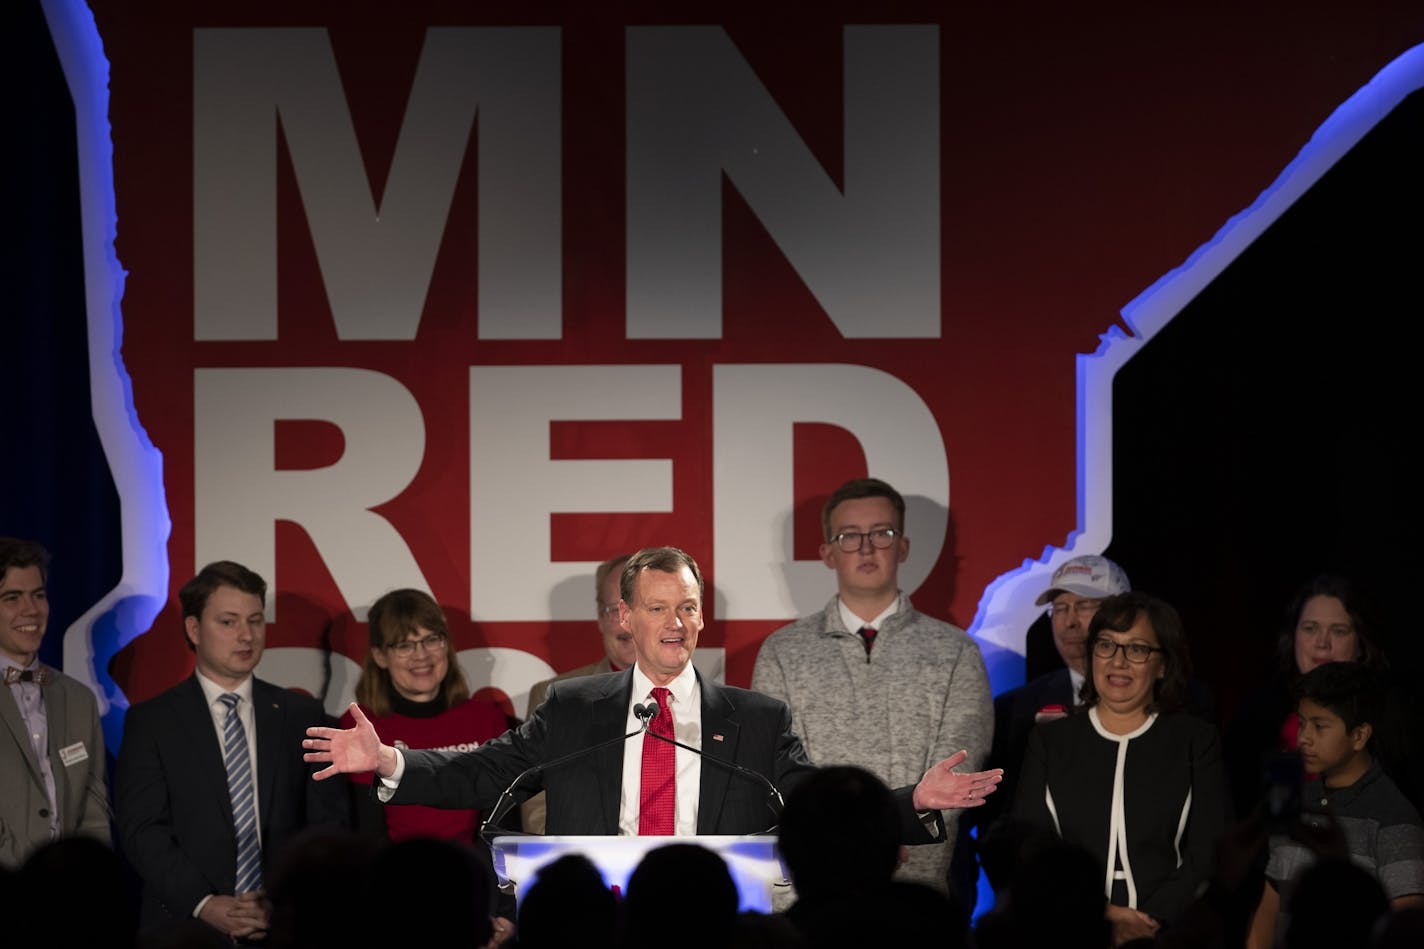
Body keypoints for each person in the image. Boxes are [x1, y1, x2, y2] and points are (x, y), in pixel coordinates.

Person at [304, 546, 1002, 847]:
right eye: (657, 607)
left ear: (701, 619)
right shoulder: (577, 708)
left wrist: (908, 801)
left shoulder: (755, 718)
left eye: (688, 608)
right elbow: (489, 769)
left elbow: (817, 806)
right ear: (625, 619)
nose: (675, 622)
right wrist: (392, 758)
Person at [750, 478, 992, 894]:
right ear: (827, 553)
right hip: (811, 893)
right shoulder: (782, 652)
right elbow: (776, 775)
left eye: (882, 533)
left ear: (903, 547)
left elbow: (957, 773)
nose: (866, 547)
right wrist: (857, 842)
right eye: (849, 536)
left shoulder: (956, 651)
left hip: (916, 893)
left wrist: (898, 831)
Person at [116, 560, 351, 941]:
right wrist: (205, 903)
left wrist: (280, 901)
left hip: (285, 926)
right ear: (194, 629)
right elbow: (143, 830)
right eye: (228, 622)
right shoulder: (152, 722)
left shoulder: (303, 716)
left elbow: (327, 827)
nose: (246, 636)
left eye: (255, 621)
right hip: (185, 929)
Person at [1012, 591, 1229, 947]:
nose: (1118, 661)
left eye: (1137, 649)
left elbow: (1208, 849)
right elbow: (1032, 844)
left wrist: (1148, 922)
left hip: (1167, 933)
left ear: (1162, 664)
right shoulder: (1049, 740)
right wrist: (1100, 912)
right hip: (1071, 929)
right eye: (1107, 645)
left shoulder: (1195, 740)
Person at [1247, 661, 1424, 949]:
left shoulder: (1393, 817)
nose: (1304, 738)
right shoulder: (1295, 802)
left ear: (1359, 736)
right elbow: (1269, 907)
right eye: (1302, 723)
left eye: (1319, 726)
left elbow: (1405, 931)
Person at [1225, 574, 1400, 820]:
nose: (1322, 643)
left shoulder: (1389, 717)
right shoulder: (1257, 714)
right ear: (1293, 636)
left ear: (1360, 643)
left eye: (1338, 631)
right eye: (1310, 628)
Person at [341, 588, 508, 844]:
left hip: (475, 876)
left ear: (446, 645)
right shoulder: (359, 726)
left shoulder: (487, 720)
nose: (421, 655)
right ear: (380, 656)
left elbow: (500, 827)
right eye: (404, 645)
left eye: (431, 639)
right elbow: (367, 834)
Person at [0, 537, 111, 869]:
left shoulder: (78, 699)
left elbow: (94, 809)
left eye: (38, 595)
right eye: (11, 598)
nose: (30, 610)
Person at [519, 553, 635, 834]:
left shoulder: (707, 700)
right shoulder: (552, 697)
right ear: (599, 618)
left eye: (641, 607)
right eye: (614, 609)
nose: (627, 622)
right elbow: (537, 805)